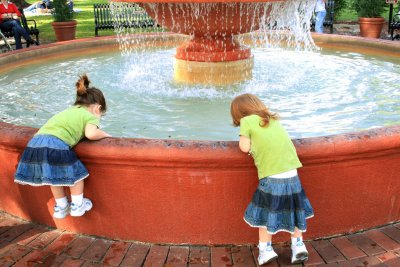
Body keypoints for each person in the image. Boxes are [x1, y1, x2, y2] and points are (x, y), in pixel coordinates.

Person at [230, 93, 314, 265]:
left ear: (239, 113)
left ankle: (265, 250)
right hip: (292, 174)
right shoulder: (271, 119)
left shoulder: (247, 121)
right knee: (294, 211)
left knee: (264, 215)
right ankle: (299, 246)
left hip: (272, 176)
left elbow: (244, 147)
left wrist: (252, 145)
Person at [14, 74, 111, 219]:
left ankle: (61, 206)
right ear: (97, 108)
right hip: (55, 144)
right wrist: (105, 135)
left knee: (53, 177)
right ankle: (78, 205)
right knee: (77, 175)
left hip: (36, 143)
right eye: (100, 115)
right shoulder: (90, 115)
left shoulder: (69, 111)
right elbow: (91, 134)